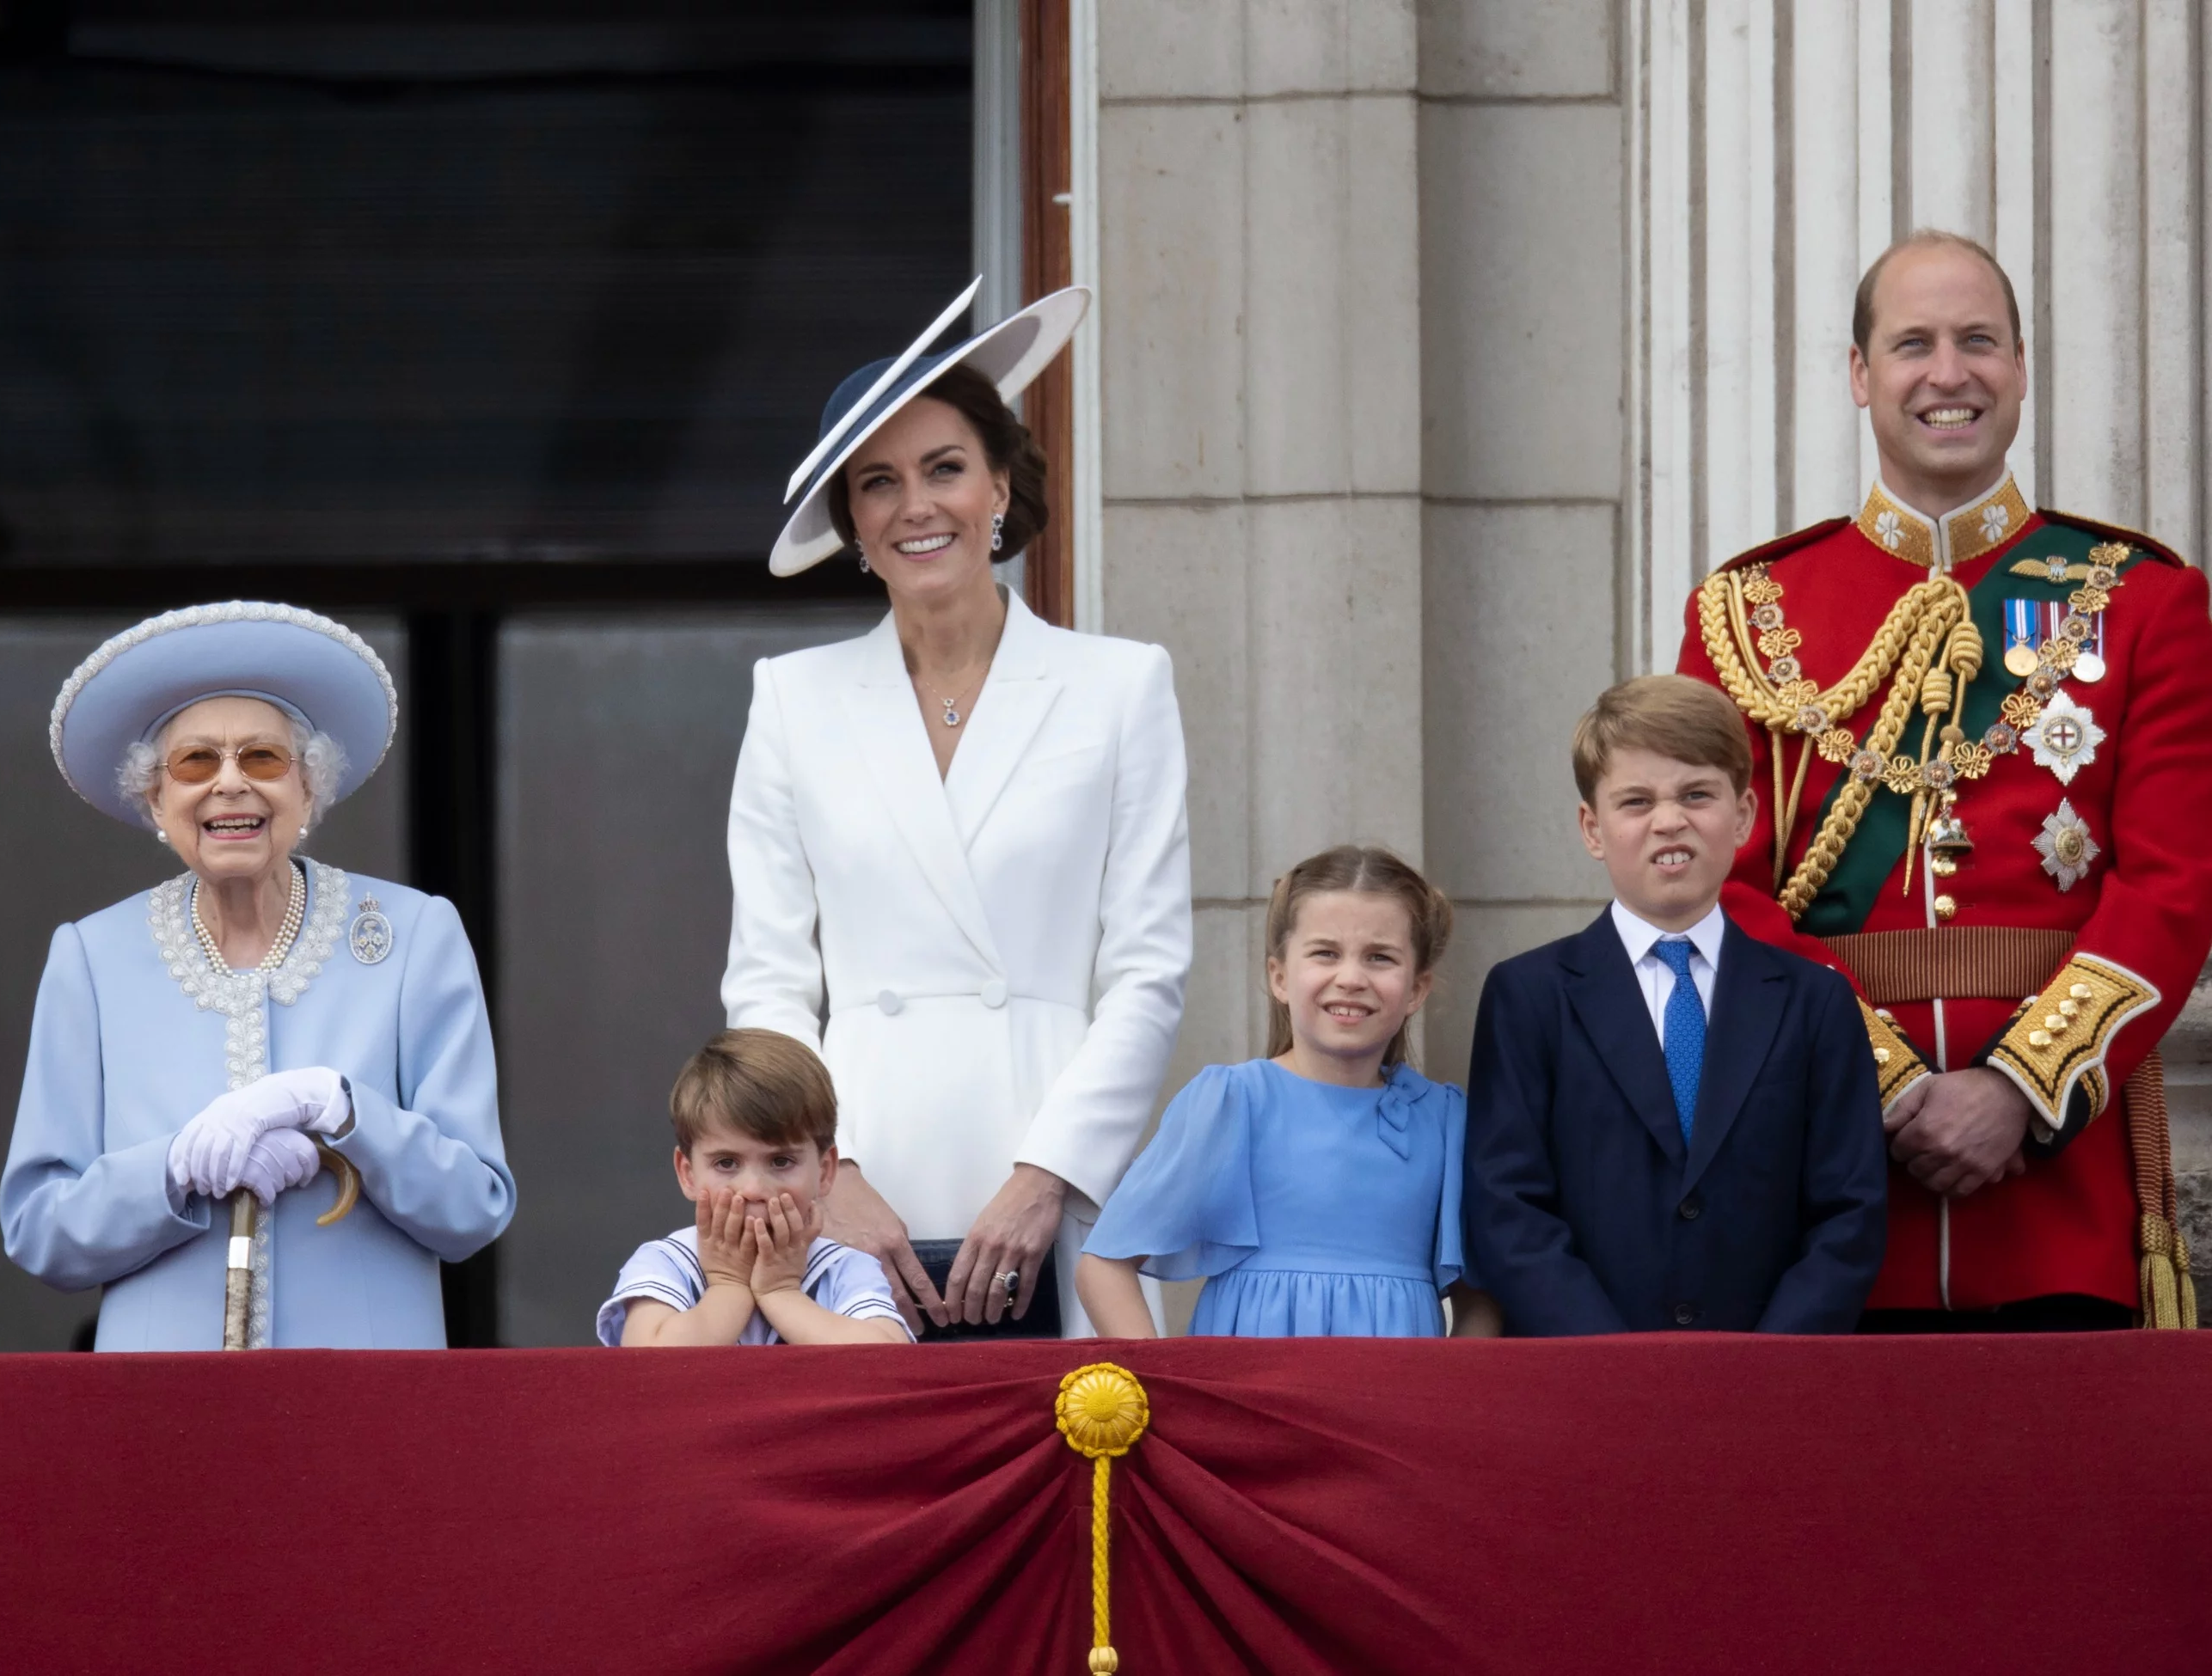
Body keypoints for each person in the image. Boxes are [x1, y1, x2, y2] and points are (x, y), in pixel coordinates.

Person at [1676, 229, 2212, 1330]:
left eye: (1977, 340)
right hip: (1826, 1191)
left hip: (2056, 1196)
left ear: (2018, 365)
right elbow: (1705, 887)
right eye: (1910, 343)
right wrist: (1885, 1086)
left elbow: (2173, 887)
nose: (1946, 372)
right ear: (1860, 375)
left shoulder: (2144, 601)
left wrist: (2018, 1088)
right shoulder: (1744, 611)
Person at [725, 278, 1192, 1338]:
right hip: (855, 1175)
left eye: (944, 469)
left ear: (997, 488)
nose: (915, 505)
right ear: (851, 517)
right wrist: (820, 1178)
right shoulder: (790, 698)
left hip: (1053, 1163)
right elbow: (767, 977)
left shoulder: (1119, 686)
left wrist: (1050, 1175)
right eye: (878, 482)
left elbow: (1146, 969)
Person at [1, 603, 514, 1349]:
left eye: (264, 760)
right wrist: (172, 1168)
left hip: (367, 1397)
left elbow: (473, 1209)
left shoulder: (414, 937)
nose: (230, 785)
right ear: (156, 800)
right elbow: (40, 1231)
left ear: (309, 791)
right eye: (196, 763)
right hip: (160, 1400)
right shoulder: (92, 956)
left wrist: (341, 1110)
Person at [1466, 676, 1886, 1335]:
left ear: (1743, 816)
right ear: (1592, 828)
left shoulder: (1814, 1001)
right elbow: (1507, 1206)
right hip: (1583, 1381)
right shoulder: (1529, 996)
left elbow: (1849, 1211)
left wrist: (1771, 1362)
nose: (1669, 820)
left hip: (1769, 1380)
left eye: (1697, 795)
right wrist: (1613, 1361)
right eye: (1635, 801)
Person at [1076, 846, 1497, 1338]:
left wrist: (1446, 1402)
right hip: (1251, 1400)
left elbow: (1481, 1299)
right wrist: (1164, 1396)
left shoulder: (1445, 1119)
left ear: (1417, 989)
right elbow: (1103, 1265)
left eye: (1380, 957)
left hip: (1395, 1402)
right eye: (1326, 953)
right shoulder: (1232, 1102)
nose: (1351, 978)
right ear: (1279, 976)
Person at [597, 1030, 911, 1347]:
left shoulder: (844, 1267)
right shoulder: (666, 1261)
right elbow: (648, 1363)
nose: (753, 1188)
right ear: (688, 1174)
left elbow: (887, 1358)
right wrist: (728, 1285)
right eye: (726, 1163)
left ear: (825, 1171)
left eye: (781, 1161)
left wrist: (782, 1291)